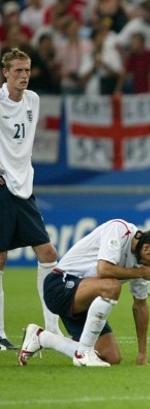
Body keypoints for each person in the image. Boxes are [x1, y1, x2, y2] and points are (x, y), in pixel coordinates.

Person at [18, 220, 150, 367]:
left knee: (111, 357)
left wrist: (142, 354)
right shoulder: (119, 229)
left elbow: (140, 306)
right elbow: (103, 269)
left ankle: (41, 337)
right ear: (146, 248)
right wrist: (140, 272)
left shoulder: (142, 265)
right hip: (59, 285)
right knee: (112, 287)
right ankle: (83, 353)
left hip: (84, 299)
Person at [0, 48, 61, 350]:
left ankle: (51, 329)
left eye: (27, 70)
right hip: (0, 187)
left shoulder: (33, 100)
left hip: (24, 188)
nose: (24, 76)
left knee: (48, 253)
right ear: (5, 73)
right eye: (18, 71)